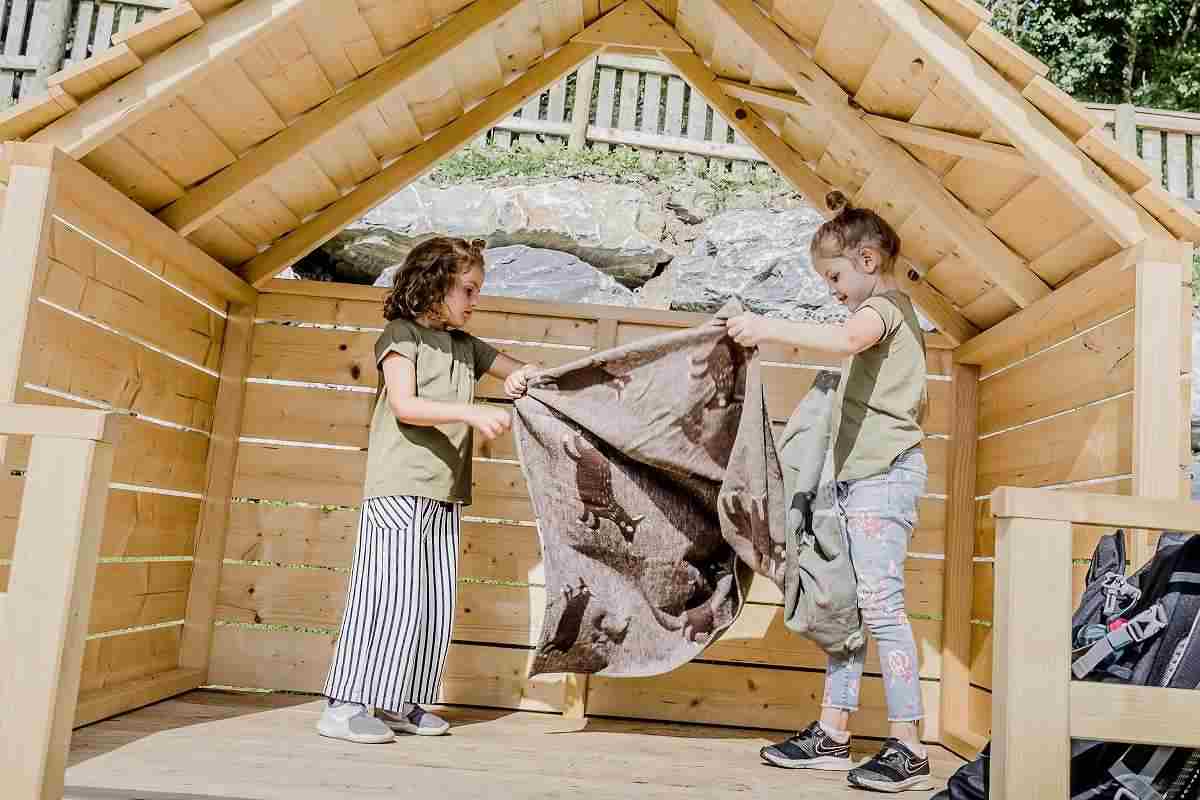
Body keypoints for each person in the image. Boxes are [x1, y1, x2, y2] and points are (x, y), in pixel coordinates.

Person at [725, 192, 932, 793]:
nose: (831, 288)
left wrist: (765, 327)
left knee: (883, 608)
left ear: (869, 261)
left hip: (884, 479)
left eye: (834, 276)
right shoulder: (879, 317)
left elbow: (845, 340)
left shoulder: (888, 309)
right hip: (856, 482)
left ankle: (909, 745)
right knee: (849, 606)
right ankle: (833, 734)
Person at [317, 237, 539, 743]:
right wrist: (472, 411)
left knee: (430, 602)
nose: (475, 300)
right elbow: (405, 405)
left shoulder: (466, 346)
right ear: (435, 283)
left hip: (446, 492)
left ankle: (397, 701)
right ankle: (344, 703)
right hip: (398, 489)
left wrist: (523, 378)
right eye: (469, 289)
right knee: (388, 597)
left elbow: (518, 370)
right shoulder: (401, 336)